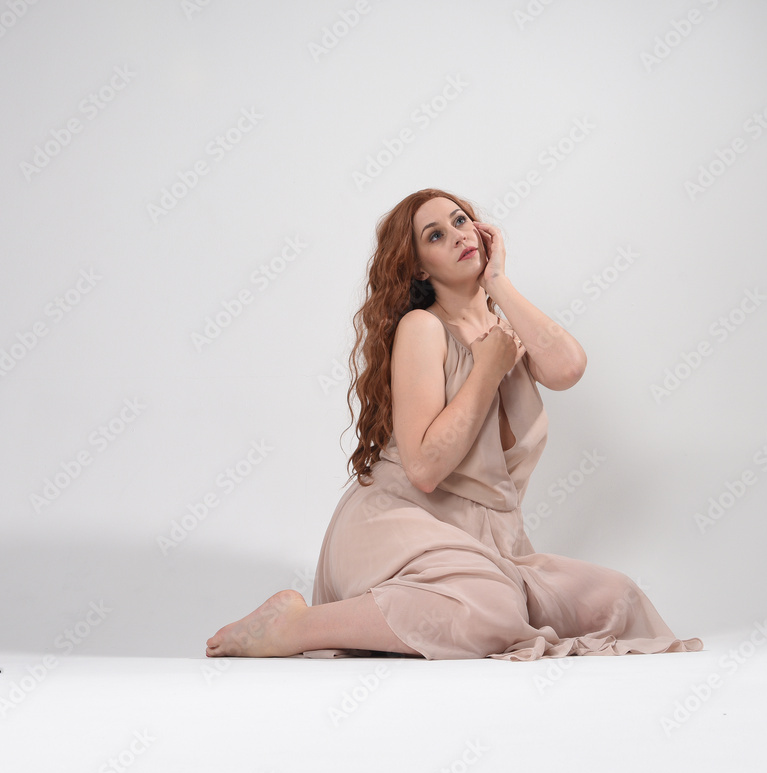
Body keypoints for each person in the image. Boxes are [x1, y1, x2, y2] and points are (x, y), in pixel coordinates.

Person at [205, 188, 702, 661]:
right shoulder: (421, 328)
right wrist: (486, 369)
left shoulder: (509, 334)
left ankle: (411, 620)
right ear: (418, 265)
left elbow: (568, 367)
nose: (459, 234)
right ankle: (292, 626)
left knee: (614, 598)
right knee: (490, 606)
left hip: (486, 543)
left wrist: (498, 283)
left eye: (461, 221)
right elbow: (424, 469)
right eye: (435, 234)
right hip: (396, 521)